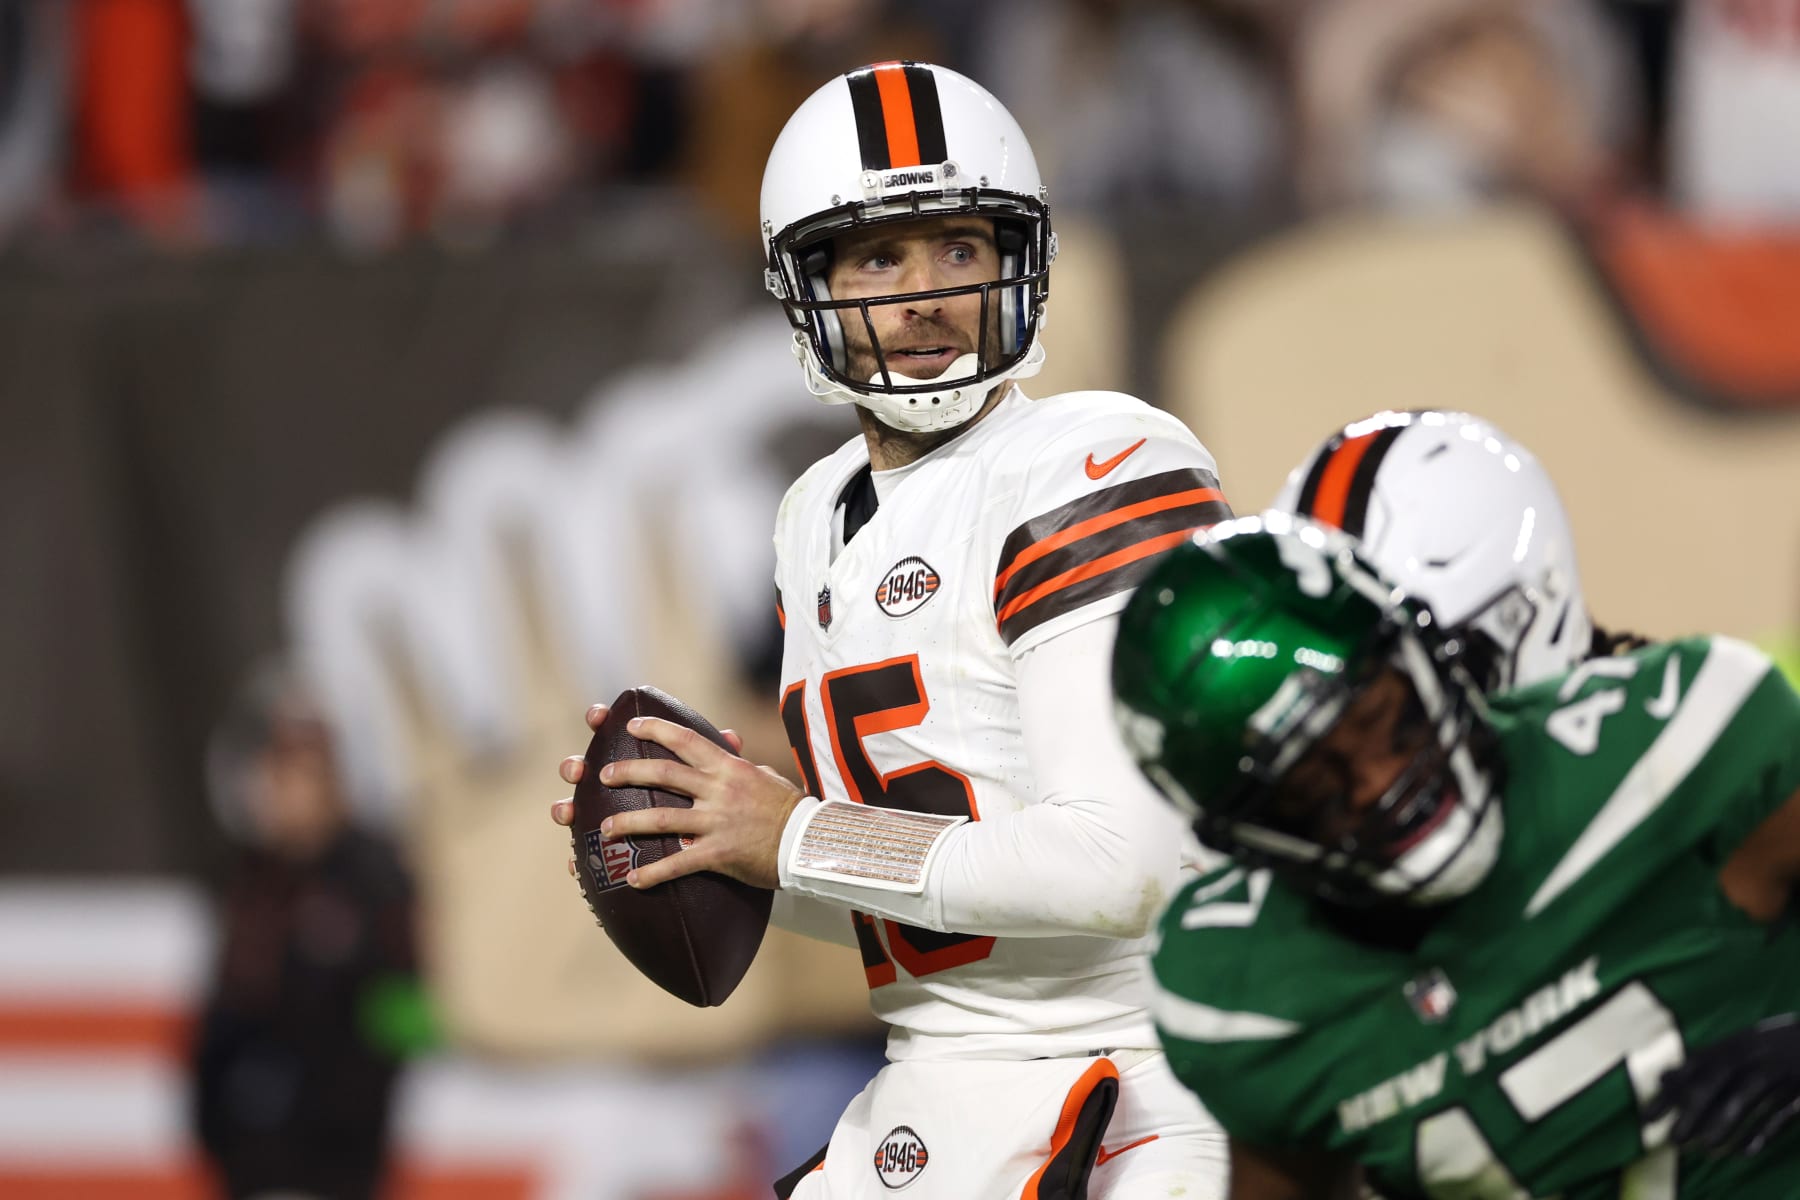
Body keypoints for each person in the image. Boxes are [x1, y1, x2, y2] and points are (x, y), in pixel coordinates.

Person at [552, 60, 1233, 1199]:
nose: (925, 293)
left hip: (1139, 1078)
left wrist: (797, 838)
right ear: (805, 283)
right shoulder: (813, 516)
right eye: (880, 255)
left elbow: (1124, 868)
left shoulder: (1094, 458)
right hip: (938, 1083)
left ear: (1020, 262)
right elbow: (940, 901)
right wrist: (714, 842)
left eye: (960, 248)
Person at [1108, 512, 1800, 1198]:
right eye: (1314, 789)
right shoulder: (1242, 995)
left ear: (1426, 649)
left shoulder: (1680, 744)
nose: (1381, 783)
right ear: (1244, 838)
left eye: (1384, 720)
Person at [192, 666, 429, 1200]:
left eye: (305, 770)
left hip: (338, 1167)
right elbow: (223, 1018)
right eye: (276, 770)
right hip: (249, 1164)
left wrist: (338, 1093)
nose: (285, 790)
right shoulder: (250, 881)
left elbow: (416, 1018)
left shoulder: (377, 880)